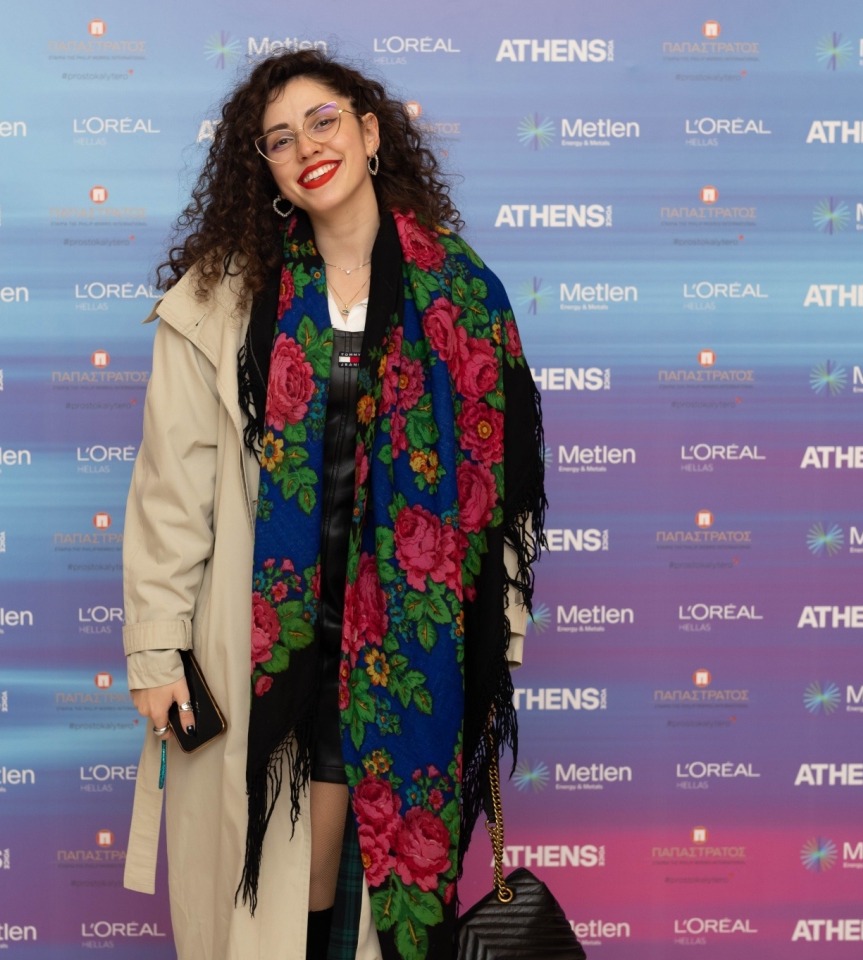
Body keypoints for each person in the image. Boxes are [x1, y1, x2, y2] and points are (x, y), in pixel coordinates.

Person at [121, 49, 546, 960]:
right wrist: (156, 649)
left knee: (374, 896)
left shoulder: (463, 294)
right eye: (279, 139)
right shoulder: (223, 299)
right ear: (266, 171)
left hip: (409, 647)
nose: (307, 147)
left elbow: (499, 493)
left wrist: (496, 636)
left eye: (323, 122)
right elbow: (171, 494)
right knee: (289, 899)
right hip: (269, 645)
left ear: (369, 131)